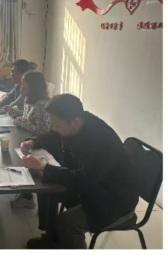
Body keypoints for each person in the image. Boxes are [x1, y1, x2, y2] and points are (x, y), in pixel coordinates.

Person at [20, 94, 138, 249]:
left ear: (75, 122)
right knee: (48, 191)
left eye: (57, 124)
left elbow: (84, 179)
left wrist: (43, 167)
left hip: (115, 199)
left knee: (67, 223)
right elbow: (55, 135)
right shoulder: (76, 123)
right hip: (95, 187)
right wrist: (34, 142)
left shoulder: (102, 141)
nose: (54, 128)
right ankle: (52, 239)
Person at [12, 71, 51, 135]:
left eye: (23, 83)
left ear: (33, 86)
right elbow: (28, 118)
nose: (21, 87)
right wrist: (13, 111)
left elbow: (41, 131)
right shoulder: (28, 100)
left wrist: (22, 122)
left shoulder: (41, 106)